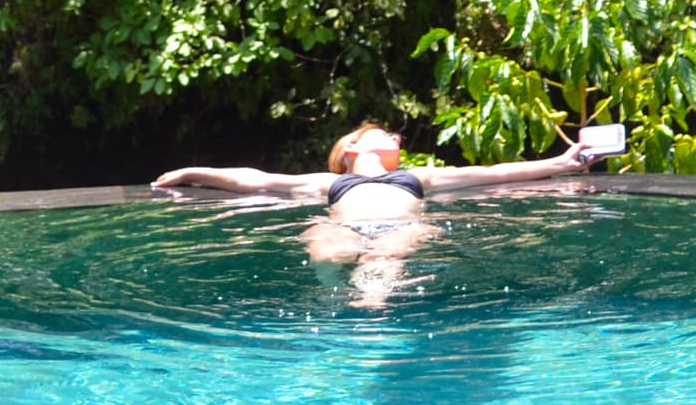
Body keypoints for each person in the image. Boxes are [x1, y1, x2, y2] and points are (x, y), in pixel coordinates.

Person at [154, 124, 593, 308]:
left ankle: (369, 307)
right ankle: (333, 300)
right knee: (328, 249)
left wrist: (560, 163)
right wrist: (191, 172)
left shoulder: (419, 177)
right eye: (385, 133)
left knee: (384, 257)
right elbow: (257, 180)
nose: (396, 137)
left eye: (397, 138)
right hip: (341, 224)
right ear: (351, 148)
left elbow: (494, 173)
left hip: (402, 226)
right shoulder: (329, 182)